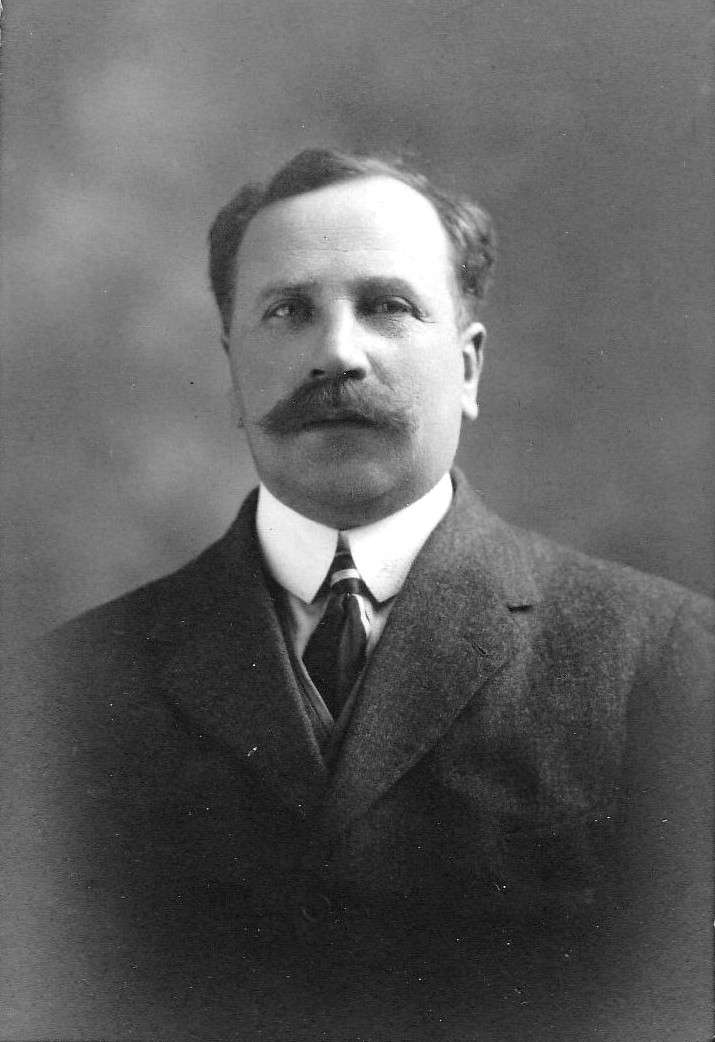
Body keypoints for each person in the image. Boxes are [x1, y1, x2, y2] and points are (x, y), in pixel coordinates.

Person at [4, 149, 713, 1042]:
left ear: (468, 367)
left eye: (387, 306)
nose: (336, 353)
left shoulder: (667, 662)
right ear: (231, 368)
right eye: (288, 311)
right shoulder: (59, 692)